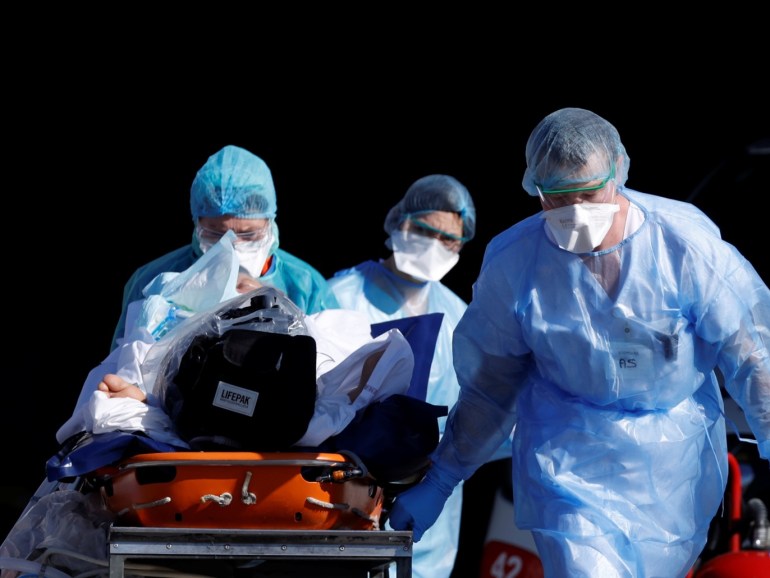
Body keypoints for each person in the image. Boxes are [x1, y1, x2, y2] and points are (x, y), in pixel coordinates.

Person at [387, 108, 770, 577]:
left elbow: (751, 355)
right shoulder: (517, 263)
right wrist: (442, 479)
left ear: (620, 171)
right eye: (559, 200)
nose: (577, 214)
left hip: (674, 465)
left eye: (589, 194)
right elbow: (491, 387)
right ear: (536, 191)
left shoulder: (683, 246)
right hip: (569, 455)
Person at [327, 174, 509, 578]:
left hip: (426, 518)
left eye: (451, 242)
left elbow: (487, 413)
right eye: (427, 232)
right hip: (342, 493)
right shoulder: (341, 297)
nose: (437, 247)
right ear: (400, 222)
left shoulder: (461, 318)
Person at [110, 144, 339, 351]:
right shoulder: (149, 280)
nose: (233, 246)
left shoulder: (306, 286)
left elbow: (333, 369)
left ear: (270, 223)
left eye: (248, 234)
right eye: (216, 234)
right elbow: (121, 367)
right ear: (197, 223)